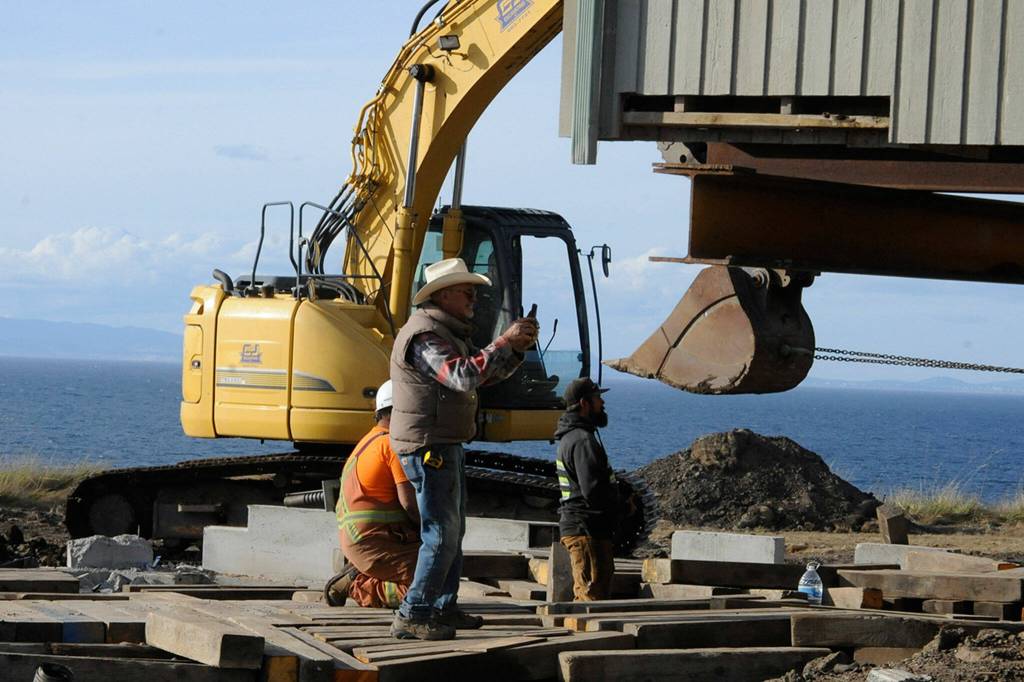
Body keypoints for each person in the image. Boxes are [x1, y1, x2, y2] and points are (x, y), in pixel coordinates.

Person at [389, 257, 538, 640]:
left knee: (452, 533)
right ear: (442, 295)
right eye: (465, 289)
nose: (474, 295)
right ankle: (414, 613)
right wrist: (505, 341)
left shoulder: (444, 332)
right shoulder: (425, 336)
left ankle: (442, 608)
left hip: (441, 442)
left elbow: (478, 374)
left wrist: (514, 350)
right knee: (441, 534)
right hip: (429, 445)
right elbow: (463, 376)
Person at [325, 380, 421, 609]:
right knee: (431, 583)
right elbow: (409, 503)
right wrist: (432, 531)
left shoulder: (369, 440)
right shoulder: (392, 445)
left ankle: (359, 572)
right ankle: (356, 584)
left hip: (365, 540)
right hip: (374, 542)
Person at [554, 377, 619, 601]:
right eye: (597, 398)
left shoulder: (574, 437)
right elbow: (593, 491)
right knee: (590, 600)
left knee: (590, 598)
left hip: (586, 529)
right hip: (586, 531)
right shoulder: (582, 440)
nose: (602, 403)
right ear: (584, 404)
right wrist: (619, 505)